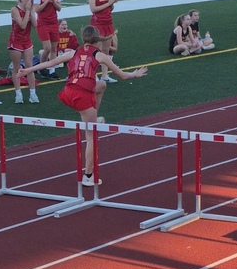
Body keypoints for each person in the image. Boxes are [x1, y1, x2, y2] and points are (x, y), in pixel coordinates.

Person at [22, 25, 147, 186]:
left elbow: (49, 62)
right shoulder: (101, 56)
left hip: (67, 92)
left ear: (83, 39)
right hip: (81, 96)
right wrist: (135, 74)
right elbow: (122, 76)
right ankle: (88, 176)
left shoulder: (73, 52)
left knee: (101, 85)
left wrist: (28, 70)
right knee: (91, 137)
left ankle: (93, 119)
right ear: (97, 41)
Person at [8, 0, 39, 105]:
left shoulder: (31, 9)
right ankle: (18, 94)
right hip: (15, 41)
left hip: (27, 41)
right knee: (17, 68)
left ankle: (32, 93)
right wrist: (27, 11)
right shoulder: (14, 10)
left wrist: (31, 12)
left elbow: (35, 25)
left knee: (29, 67)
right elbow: (22, 25)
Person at [89, 0, 118, 82]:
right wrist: (108, 3)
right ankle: (93, 74)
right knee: (97, 49)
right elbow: (93, 9)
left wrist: (112, 4)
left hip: (108, 22)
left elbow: (110, 8)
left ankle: (105, 75)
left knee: (106, 50)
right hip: (98, 23)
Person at [34, 0, 62, 79]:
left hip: (54, 23)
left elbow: (59, 8)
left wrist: (54, 1)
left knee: (54, 48)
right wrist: (46, 1)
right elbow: (37, 9)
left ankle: (52, 70)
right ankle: (41, 67)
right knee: (47, 47)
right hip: (43, 23)